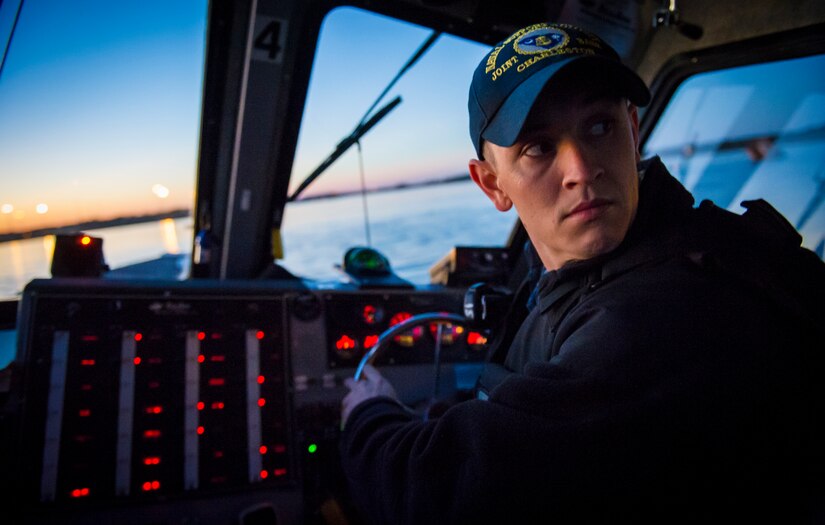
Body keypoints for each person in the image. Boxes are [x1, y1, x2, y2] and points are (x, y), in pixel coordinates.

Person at [339, 22, 824, 524]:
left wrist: (366, 416)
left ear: (633, 132)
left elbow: (449, 496)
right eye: (538, 147)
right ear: (492, 184)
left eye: (599, 127)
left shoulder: (669, 312)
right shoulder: (571, 267)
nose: (580, 168)